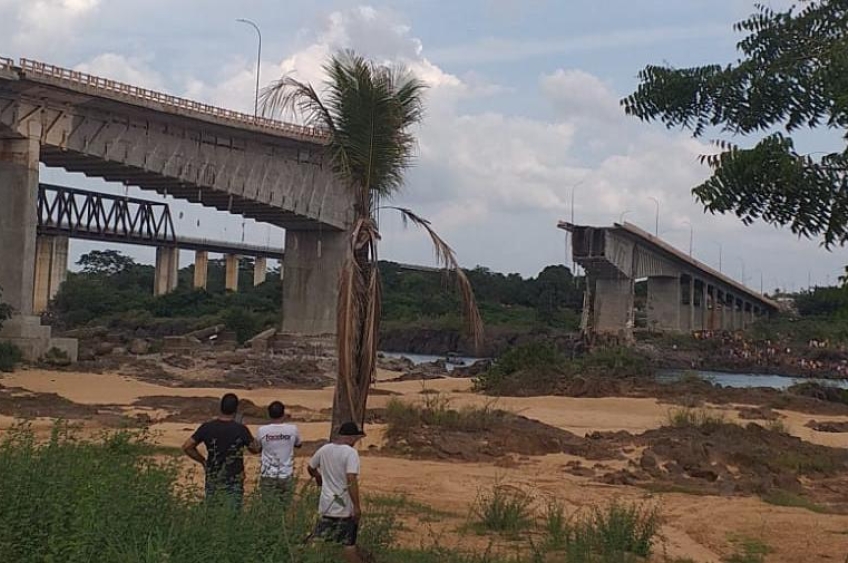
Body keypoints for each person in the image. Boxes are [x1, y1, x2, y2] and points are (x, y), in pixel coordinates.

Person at [182, 393, 260, 507]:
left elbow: (187, 446)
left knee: (213, 511)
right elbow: (255, 449)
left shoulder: (207, 427)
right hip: (234, 477)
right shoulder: (240, 429)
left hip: (213, 474)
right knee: (232, 514)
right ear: (236, 409)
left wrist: (203, 461)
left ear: (221, 407)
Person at [307, 422, 366, 563]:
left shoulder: (325, 449)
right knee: (348, 545)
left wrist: (318, 477)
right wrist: (356, 506)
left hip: (326, 505)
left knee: (320, 542)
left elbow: (310, 467)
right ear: (352, 438)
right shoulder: (351, 453)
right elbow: (351, 479)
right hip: (344, 508)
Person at [257, 401, 302, 502]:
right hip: (286, 473)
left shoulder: (262, 430)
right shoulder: (293, 429)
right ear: (283, 413)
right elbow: (299, 444)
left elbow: (258, 447)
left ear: (269, 414)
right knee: (285, 506)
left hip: (268, 474)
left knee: (268, 506)